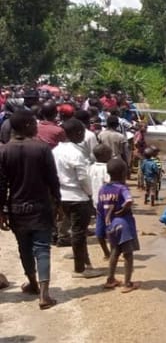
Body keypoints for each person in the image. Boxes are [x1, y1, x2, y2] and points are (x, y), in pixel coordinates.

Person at [0, 110, 60, 309]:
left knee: (24, 248)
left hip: (17, 209)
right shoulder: (42, 149)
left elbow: (2, 186)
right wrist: (58, 201)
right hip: (41, 207)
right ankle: (44, 294)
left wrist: (1, 211)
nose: (37, 126)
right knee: (42, 249)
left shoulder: (4, 151)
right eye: (34, 123)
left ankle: (33, 283)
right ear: (26, 125)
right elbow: (52, 179)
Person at [53, 118, 103, 278]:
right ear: (77, 133)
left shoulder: (56, 151)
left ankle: (85, 263)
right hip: (78, 197)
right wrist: (90, 194)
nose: (84, 135)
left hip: (63, 196)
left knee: (76, 231)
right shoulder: (76, 153)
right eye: (82, 132)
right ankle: (81, 269)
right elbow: (82, 178)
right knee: (79, 233)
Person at [96, 158, 140, 293]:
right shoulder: (122, 188)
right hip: (123, 225)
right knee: (128, 254)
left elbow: (99, 210)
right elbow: (129, 200)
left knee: (114, 252)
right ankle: (127, 283)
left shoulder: (102, 189)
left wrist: (103, 228)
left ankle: (110, 279)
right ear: (123, 173)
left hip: (110, 226)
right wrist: (123, 210)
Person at [89, 144, 112, 259]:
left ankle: (106, 253)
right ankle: (113, 252)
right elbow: (110, 183)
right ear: (106, 155)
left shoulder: (91, 167)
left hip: (95, 203)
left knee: (99, 230)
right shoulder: (107, 168)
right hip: (108, 203)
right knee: (111, 229)